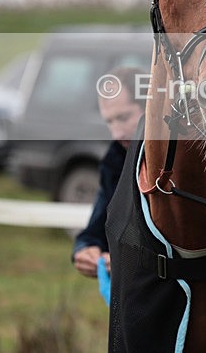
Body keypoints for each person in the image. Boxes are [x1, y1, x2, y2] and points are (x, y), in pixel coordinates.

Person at [72, 67, 145, 278]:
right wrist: (85, 249)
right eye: (109, 121)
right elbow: (98, 228)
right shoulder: (114, 160)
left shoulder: (182, 157)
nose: (117, 132)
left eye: (123, 117)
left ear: (150, 105)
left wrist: (131, 257)